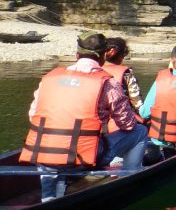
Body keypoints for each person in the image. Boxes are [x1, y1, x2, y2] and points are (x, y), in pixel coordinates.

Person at [20, 33, 148, 201]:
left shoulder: (49, 79)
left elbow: (32, 115)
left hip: (42, 154)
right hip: (80, 159)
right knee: (139, 131)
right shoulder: (108, 84)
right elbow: (127, 124)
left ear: (76, 55)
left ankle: (49, 197)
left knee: (49, 158)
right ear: (103, 56)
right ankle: (130, 178)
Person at [103, 37, 144, 117]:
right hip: (119, 120)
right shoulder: (127, 74)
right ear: (120, 56)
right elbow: (136, 101)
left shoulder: (93, 70)